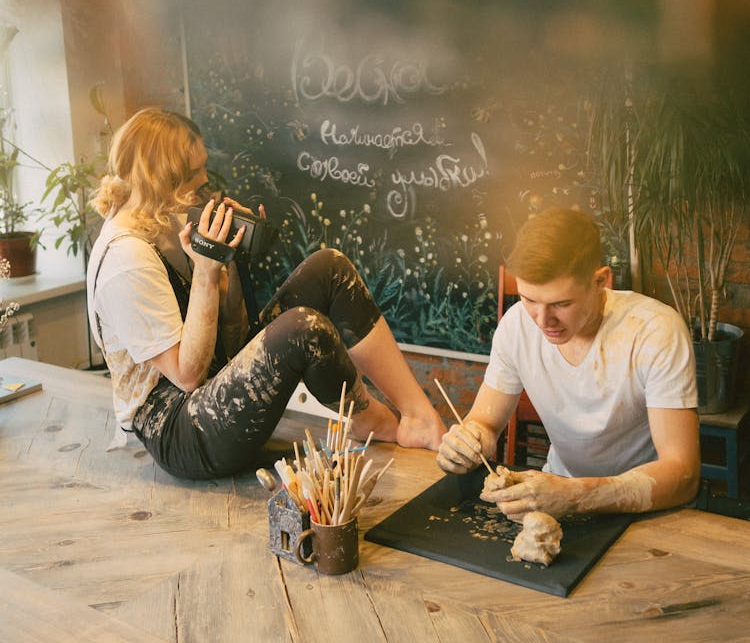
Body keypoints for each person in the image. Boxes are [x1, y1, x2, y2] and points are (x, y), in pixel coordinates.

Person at [87, 107, 445, 480]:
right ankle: (367, 417)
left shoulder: (170, 217)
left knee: (330, 268)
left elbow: (232, 338)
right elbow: (188, 376)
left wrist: (229, 260)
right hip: (183, 433)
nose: (205, 178)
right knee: (301, 327)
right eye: (194, 173)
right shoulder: (127, 258)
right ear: (161, 177)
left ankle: (417, 414)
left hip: (216, 393)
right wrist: (207, 269)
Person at [437, 207, 700, 517]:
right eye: (529, 299)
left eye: (561, 304)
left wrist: (576, 496)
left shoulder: (655, 331)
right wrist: (469, 442)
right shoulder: (516, 325)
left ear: (601, 280)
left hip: (645, 504)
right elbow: (485, 422)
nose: (543, 320)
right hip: (554, 493)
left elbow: (683, 474)